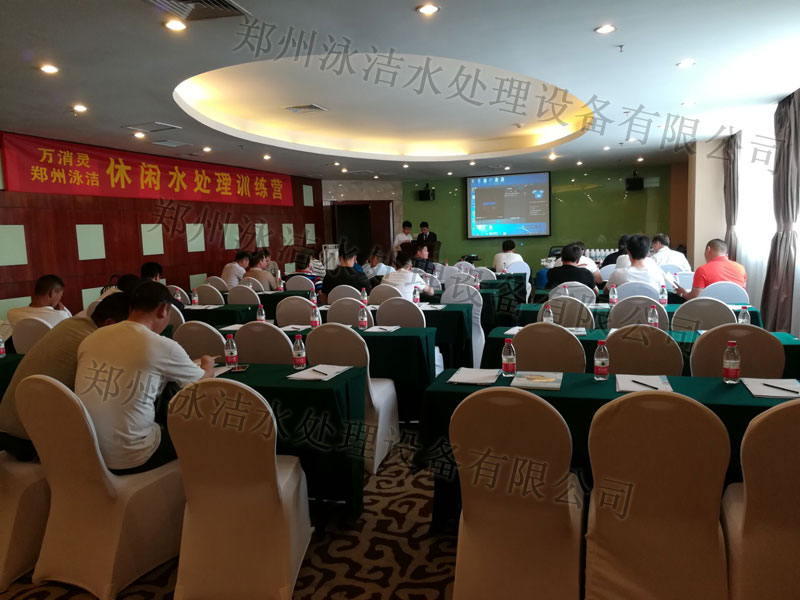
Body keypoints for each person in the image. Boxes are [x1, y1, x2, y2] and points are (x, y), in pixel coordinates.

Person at [75, 281, 214, 474]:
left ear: (130, 308)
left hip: (90, 453)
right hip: (134, 456)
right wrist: (208, 363)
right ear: (163, 310)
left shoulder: (91, 338)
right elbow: (203, 384)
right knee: (200, 430)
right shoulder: (162, 345)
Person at [0, 293, 131, 462]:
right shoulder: (93, 343)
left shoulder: (71, 324)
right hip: (30, 443)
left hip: (8, 429)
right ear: (110, 324)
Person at [676, 239, 746, 300]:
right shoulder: (741, 268)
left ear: (708, 249)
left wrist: (683, 293)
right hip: (738, 309)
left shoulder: (702, 270)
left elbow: (695, 298)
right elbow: (741, 291)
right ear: (726, 254)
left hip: (712, 309)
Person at [605, 234, 673, 293]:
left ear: (628, 253)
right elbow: (662, 292)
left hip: (624, 305)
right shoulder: (657, 274)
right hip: (650, 304)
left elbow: (606, 292)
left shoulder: (617, 274)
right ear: (648, 254)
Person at [7, 274, 72, 327]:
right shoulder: (61, 316)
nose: (60, 299)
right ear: (52, 293)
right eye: (60, 296)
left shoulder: (12, 313)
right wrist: (64, 311)